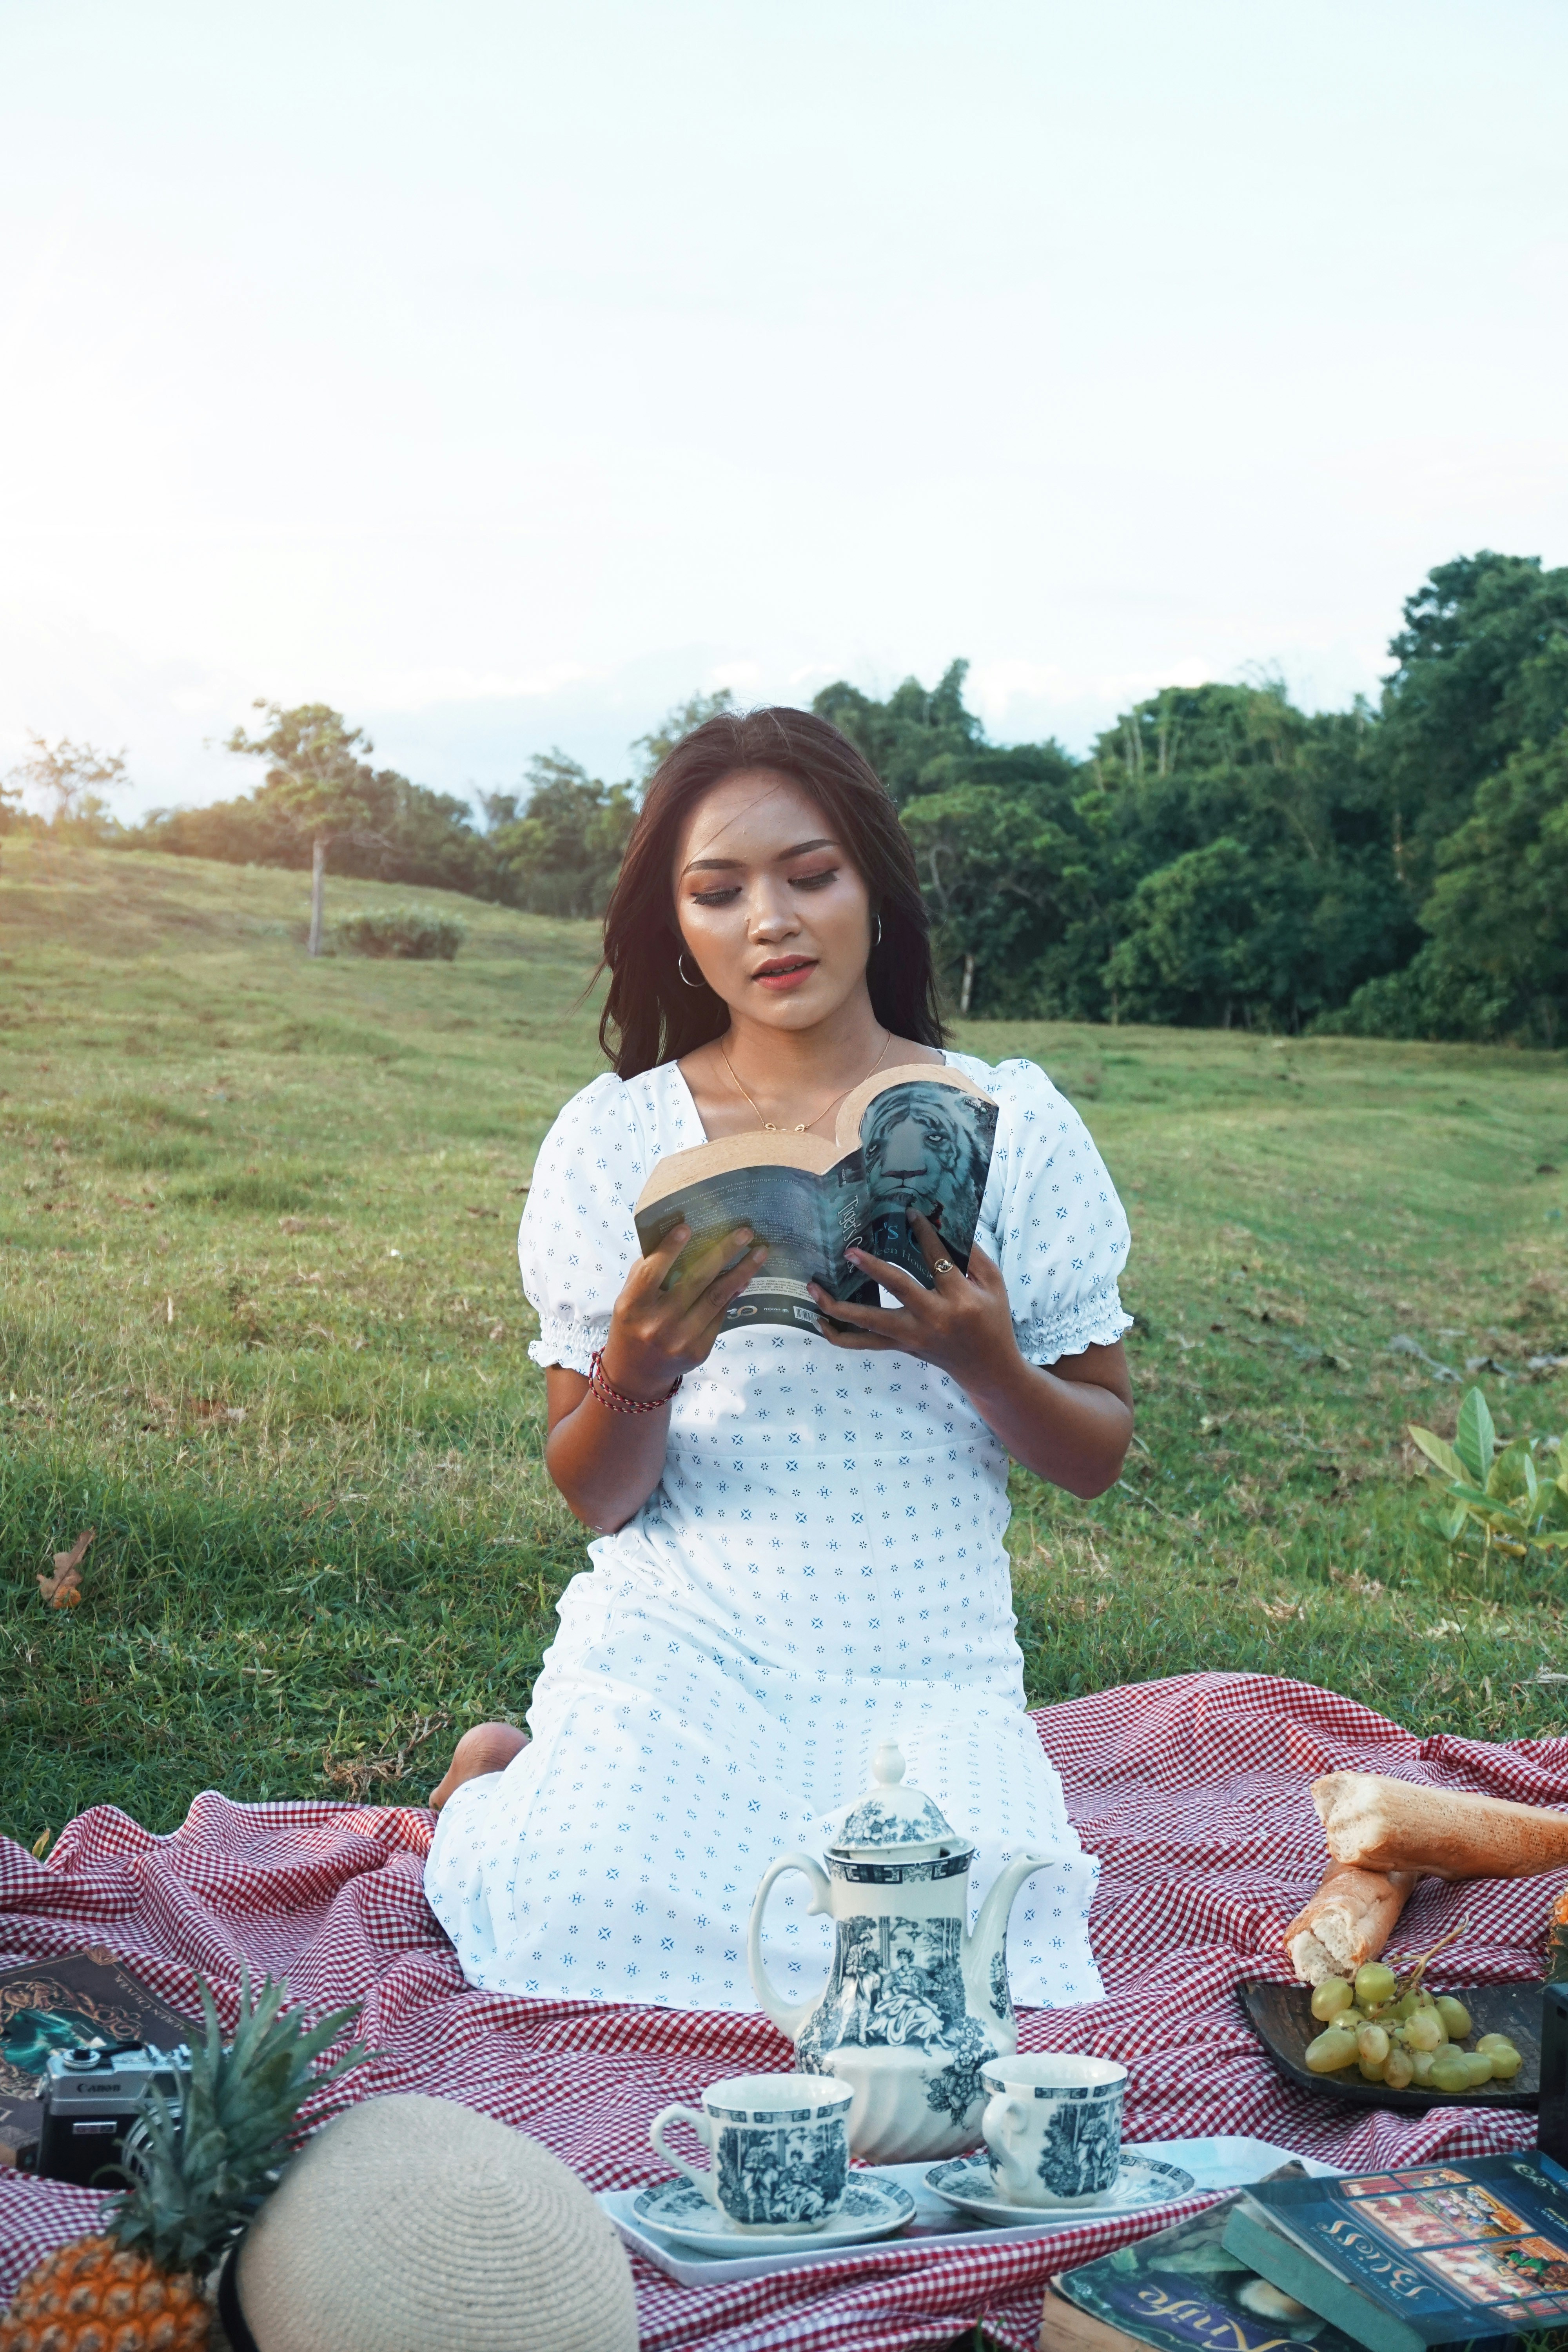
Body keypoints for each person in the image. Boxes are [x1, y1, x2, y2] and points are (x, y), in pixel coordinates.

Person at [424, 707, 1134, 2017]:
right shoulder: (614, 1139)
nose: (773, 921)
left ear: (873, 885)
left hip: (924, 1658)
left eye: (811, 876)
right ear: (678, 924)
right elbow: (595, 1494)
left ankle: (537, 1783)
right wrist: (639, 1366)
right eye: (721, 890)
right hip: (689, 1642)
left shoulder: (1012, 1124)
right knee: (577, 1922)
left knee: (969, 1974)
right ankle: (499, 1784)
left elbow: (1094, 1452)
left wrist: (986, 1360)